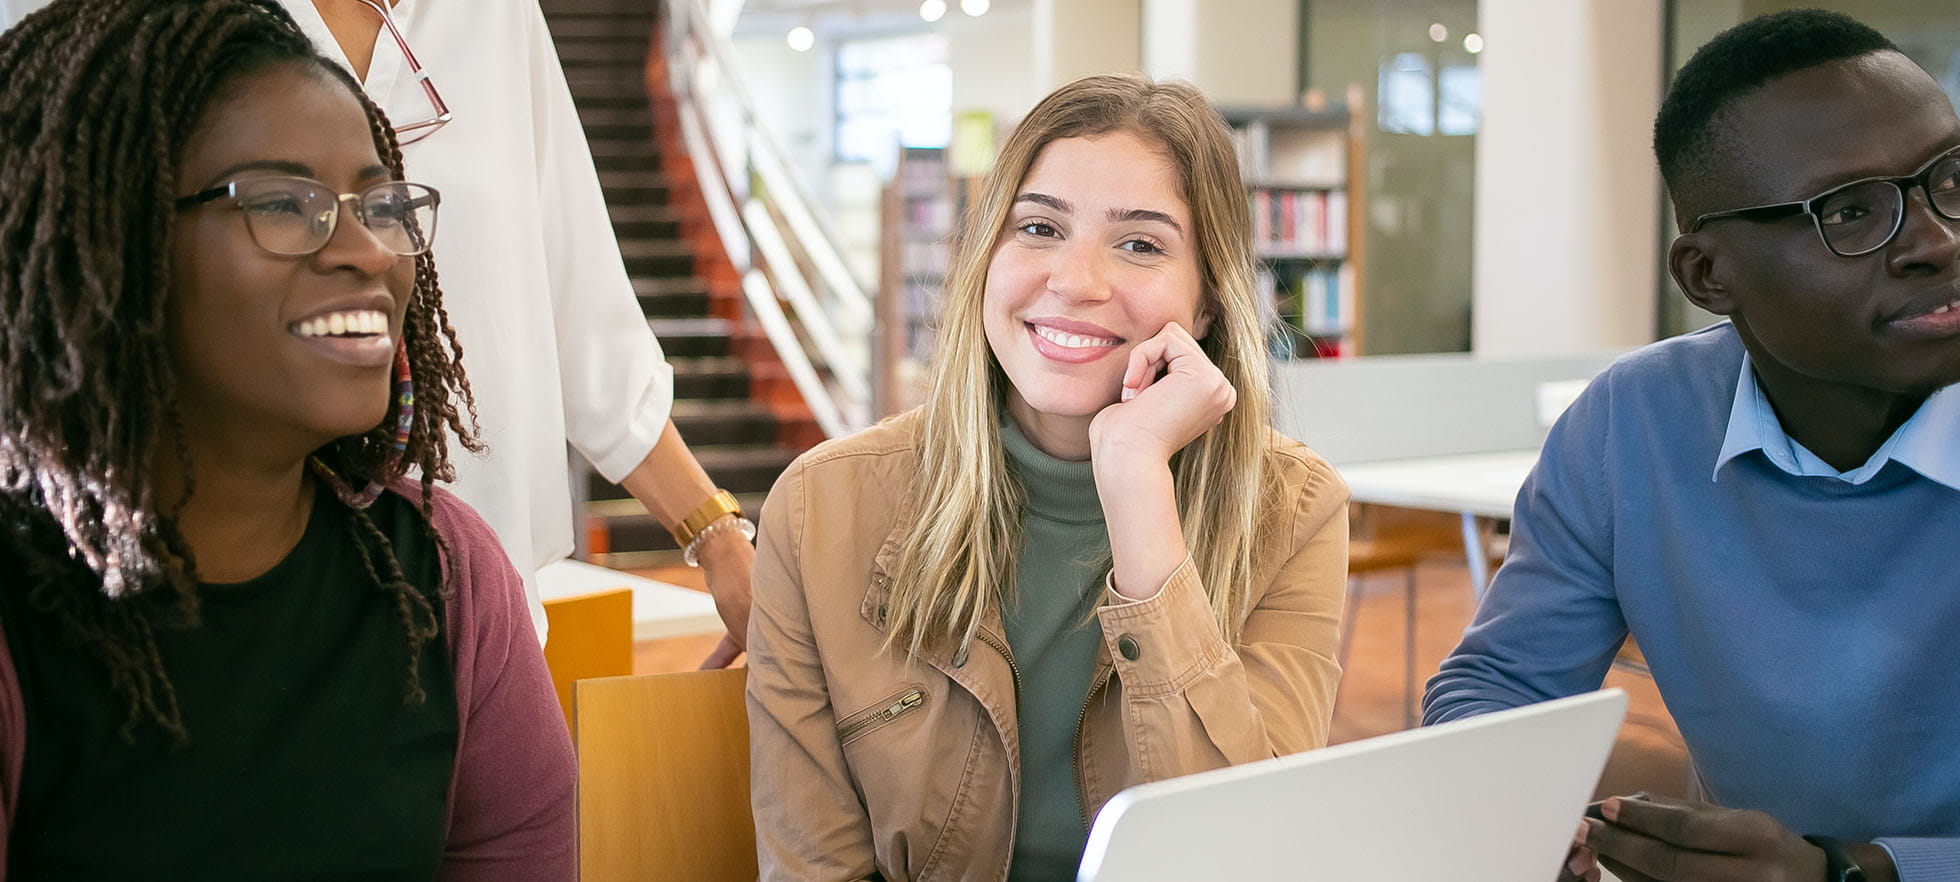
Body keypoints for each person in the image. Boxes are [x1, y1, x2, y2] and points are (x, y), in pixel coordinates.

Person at [0, 1, 574, 877]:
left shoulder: (449, 578)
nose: (371, 252)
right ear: (113, 240)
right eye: (283, 202)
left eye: (383, 205)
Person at [0, 0, 760, 661]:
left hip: (474, 613)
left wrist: (717, 537)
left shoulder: (499, 16)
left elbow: (582, 305)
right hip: (201, 593)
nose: (367, 251)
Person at [744, 74, 1350, 881]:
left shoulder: (1293, 511)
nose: (1074, 281)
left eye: (1139, 243)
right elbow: (813, 865)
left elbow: (1238, 857)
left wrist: (1137, 484)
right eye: (1038, 227)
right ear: (986, 258)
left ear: (1207, 304)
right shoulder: (821, 508)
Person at [1422, 10, 1960, 882]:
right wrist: (1517, 815)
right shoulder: (1629, 425)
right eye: (1852, 211)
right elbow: (1500, 688)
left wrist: (1851, 871)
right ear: (1710, 276)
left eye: (1951, 178)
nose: (1938, 241)